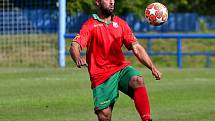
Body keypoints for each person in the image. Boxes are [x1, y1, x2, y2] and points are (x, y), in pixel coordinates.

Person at [70, 0, 161, 121]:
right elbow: (74, 45)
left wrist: (152, 67)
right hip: (101, 75)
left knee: (137, 80)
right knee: (104, 115)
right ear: (98, 2)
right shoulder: (90, 25)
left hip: (120, 69)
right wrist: (77, 58)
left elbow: (136, 47)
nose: (112, 2)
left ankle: (146, 119)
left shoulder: (121, 23)